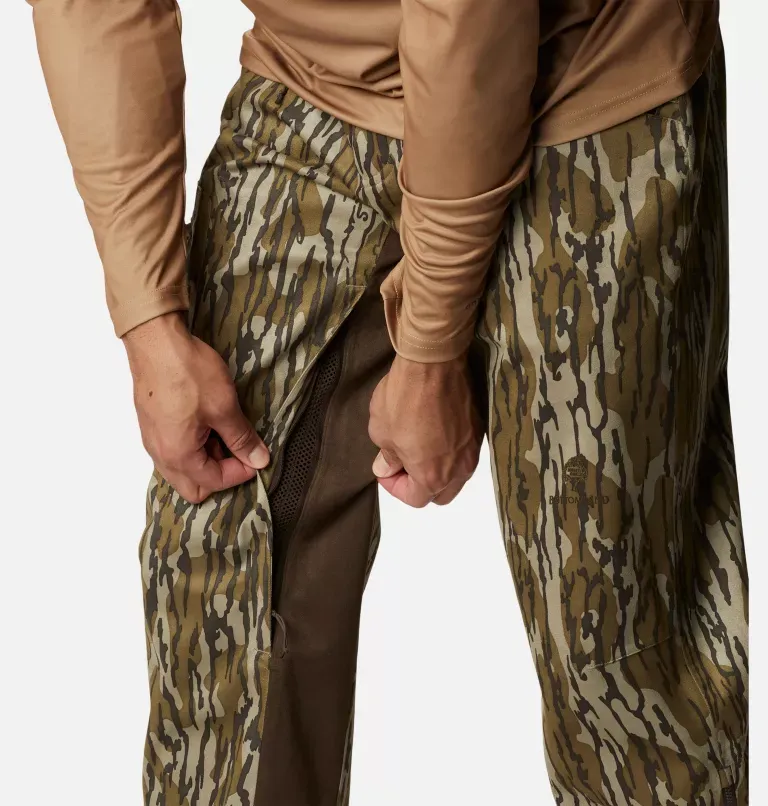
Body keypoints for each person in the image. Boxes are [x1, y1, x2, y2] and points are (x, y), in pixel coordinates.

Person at [28, 1, 747, 804]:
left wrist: (430, 341)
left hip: (589, 75)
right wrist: (149, 320)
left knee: (606, 620)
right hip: (314, 78)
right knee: (220, 568)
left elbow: (470, 20)